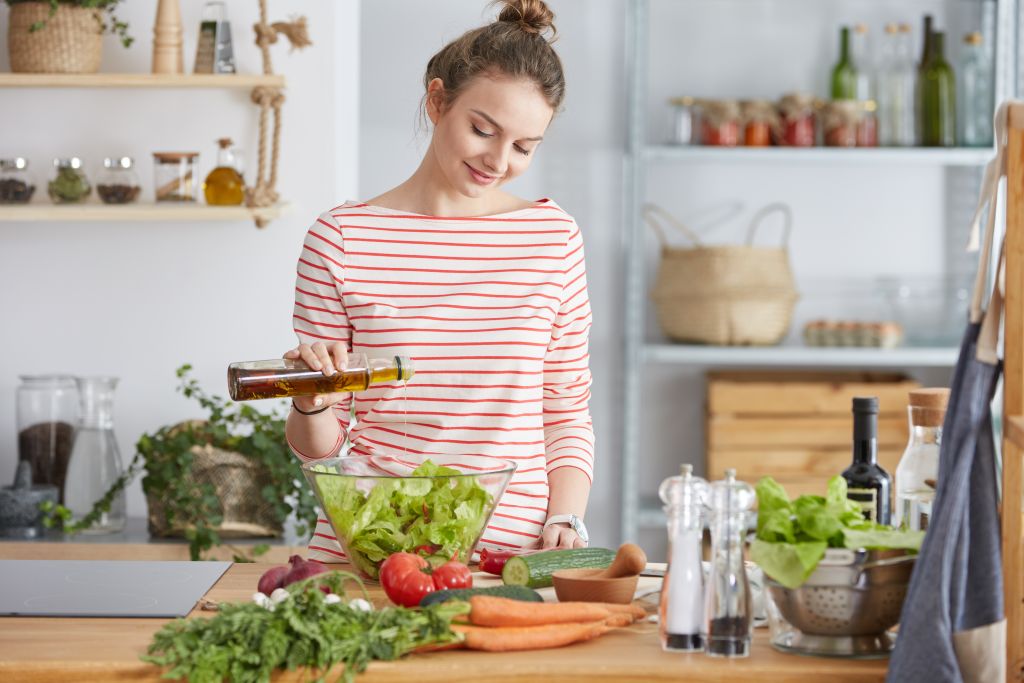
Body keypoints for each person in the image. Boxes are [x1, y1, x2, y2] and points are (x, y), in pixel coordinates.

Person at [284, 0, 594, 562]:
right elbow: (325, 454)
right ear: (436, 100)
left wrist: (566, 517)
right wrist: (309, 399)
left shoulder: (553, 237)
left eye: (524, 147)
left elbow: (566, 408)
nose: (499, 161)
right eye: (483, 130)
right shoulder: (342, 240)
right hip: (377, 551)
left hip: (509, 566)